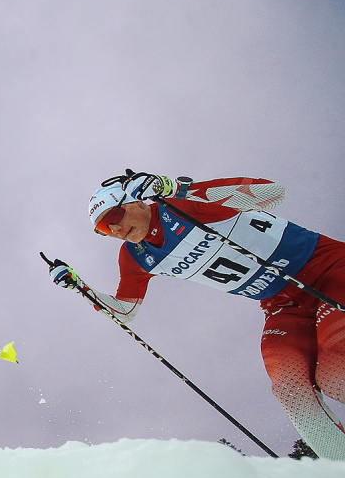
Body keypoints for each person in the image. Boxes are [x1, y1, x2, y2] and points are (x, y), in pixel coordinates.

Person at [50, 169, 345, 460]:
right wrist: (80, 287)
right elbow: (125, 311)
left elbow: (272, 192)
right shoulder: (135, 257)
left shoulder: (178, 205)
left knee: (334, 373)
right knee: (289, 388)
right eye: (104, 229)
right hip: (282, 306)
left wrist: (174, 189)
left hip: (328, 271)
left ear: (137, 201)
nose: (114, 230)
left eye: (114, 217)